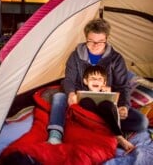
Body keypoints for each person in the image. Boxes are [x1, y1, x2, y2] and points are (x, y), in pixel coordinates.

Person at [47, 18, 148, 147]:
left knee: (141, 122)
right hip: (81, 104)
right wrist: (71, 93)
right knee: (59, 97)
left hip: (106, 107)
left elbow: (122, 86)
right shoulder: (75, 56)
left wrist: (124, 106)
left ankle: (101, 127)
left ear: (107, 39)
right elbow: (69, 80)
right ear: (86, 38)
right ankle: (55, 135)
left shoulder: (116, 59)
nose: (96, 45)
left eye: (100, 41)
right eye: (91, 41)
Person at [79, 65, 134, 151]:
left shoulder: (108, 92)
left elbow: (115, 111)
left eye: (100, 79)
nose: (96, 81)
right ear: (85, 81)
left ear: (104, 83)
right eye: (92, 78)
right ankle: (96, 135)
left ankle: (118, 136)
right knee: (85, 101)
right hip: (92, 123)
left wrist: (109, 96)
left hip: (107, 120)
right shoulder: (82, 94)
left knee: (107, 104)